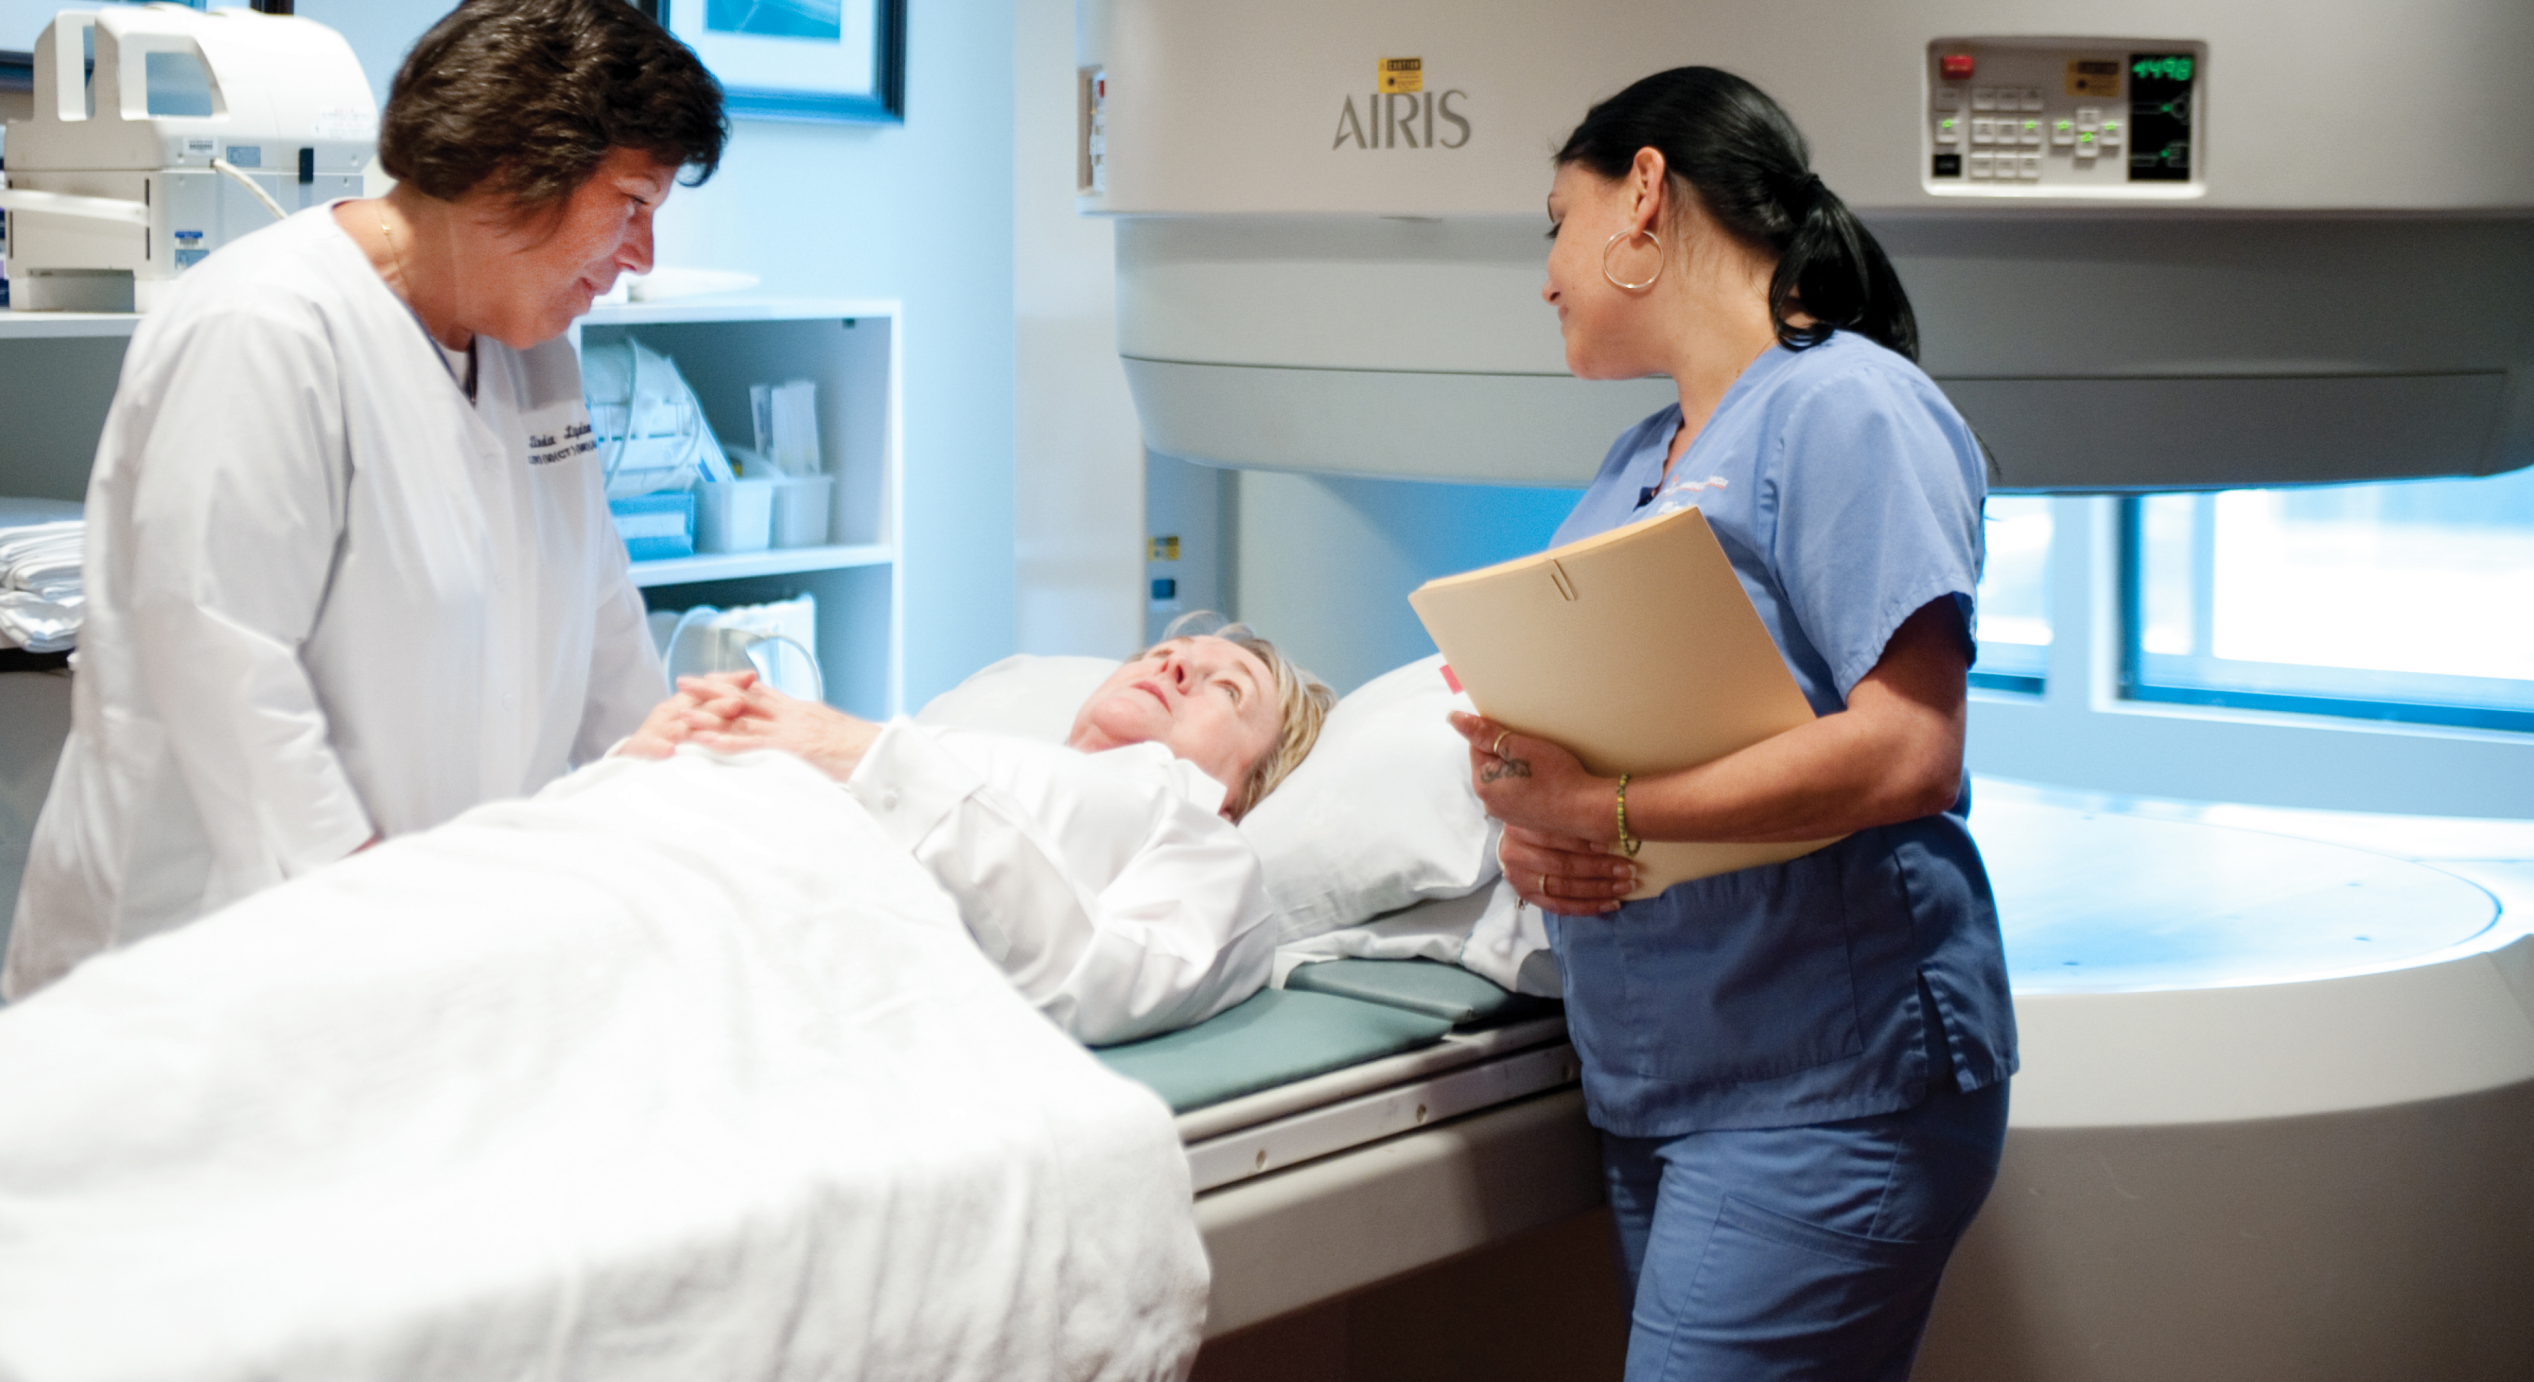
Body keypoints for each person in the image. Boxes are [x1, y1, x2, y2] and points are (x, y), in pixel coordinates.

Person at [3, 0, 729, 998]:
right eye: (632, 206)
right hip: (219, 952)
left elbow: (595, 605)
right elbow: (223, 669)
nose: (641, 256)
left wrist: (668, 780)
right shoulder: (265, 329)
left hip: (433, 938)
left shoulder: (531, 347)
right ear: (516, 168)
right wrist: (369, 909)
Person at [1452, 67, 2015, 1380]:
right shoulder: (1637, 459)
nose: (1545, 275)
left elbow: (1912, 747)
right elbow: (1614, 744)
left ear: (1643, 193)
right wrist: (1537, 823)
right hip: (1666, 1082)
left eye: (1554, 220)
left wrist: (1611, 812)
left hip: (1828, 1086)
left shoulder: (1844, 404)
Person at [627, 618, 1337, 1044]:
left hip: (711, 955)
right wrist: (650, 758)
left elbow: (1088, 983)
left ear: (1244, 790)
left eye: (1228, 688)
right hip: (632, 855)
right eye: (1160, 654)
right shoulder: (959, 747)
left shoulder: (1204, 842)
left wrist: (860, 755)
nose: (1175, 663)